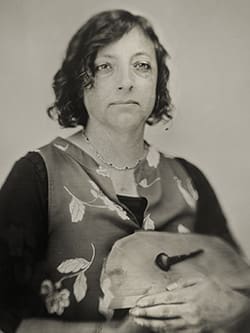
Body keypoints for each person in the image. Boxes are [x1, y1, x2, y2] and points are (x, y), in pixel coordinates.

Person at [0, 9, 249, 333]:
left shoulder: (189, 180)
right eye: (105, 66)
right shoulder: (38, 175)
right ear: (80, 81)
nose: (126, 82)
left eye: (142, 65)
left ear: (158, 83)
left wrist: (231, 309)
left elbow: (240, 283)